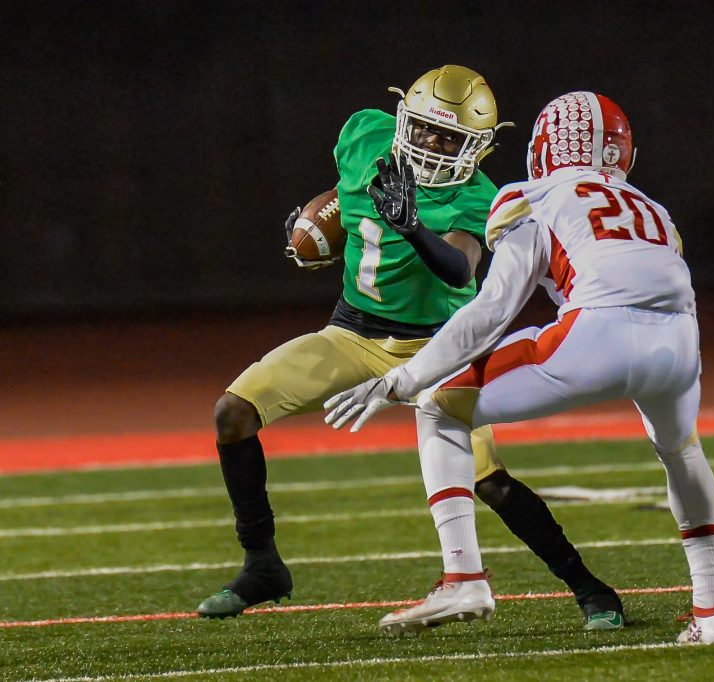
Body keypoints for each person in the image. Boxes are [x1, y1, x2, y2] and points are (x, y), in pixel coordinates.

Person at [199, 68, 623, 631]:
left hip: (437, 351)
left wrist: (414, 227)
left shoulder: (482, 197)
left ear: (478, 146)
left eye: (450, 138)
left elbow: (459, 267)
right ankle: (262, 565)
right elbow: (349, 201)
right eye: (424, 129)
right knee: (233, 412)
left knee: (487, 479)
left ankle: (589, 588)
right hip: (351, 334)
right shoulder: (364, 136)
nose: (432, 144)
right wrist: (316, 227)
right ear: (404, 120)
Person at [324, 91, 714, 644]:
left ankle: (463, 578)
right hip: (680, 342)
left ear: (542, 149)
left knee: (439, 404)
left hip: (596, 333)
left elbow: (492, 311)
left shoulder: (532, 195)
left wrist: (402, 378)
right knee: (682, 454)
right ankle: (712, 614)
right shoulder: (654, 210)